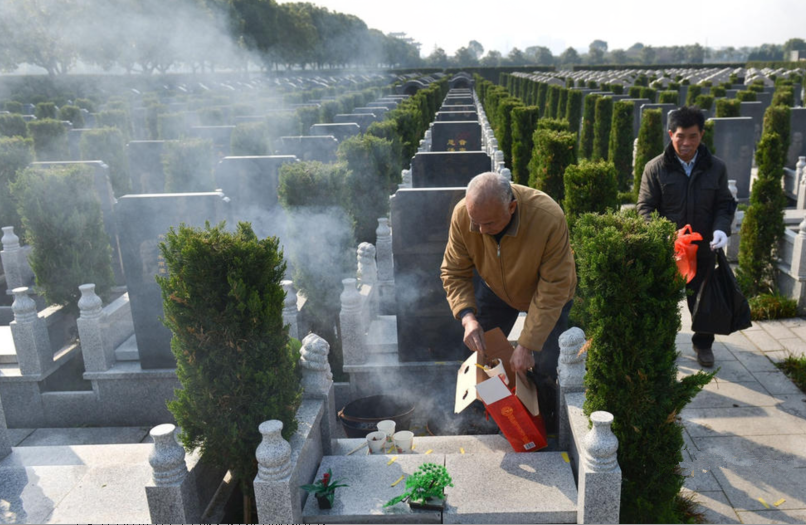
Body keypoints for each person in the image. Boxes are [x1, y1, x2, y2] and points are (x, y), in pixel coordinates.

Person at [441, 172, 576, 431]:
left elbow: (553, 287)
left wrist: (526, 345)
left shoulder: (547, 216)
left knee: (546, 363)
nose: (480, 231)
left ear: (511, 207)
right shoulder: (463, 214)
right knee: (477, 350)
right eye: (475, 223)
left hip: (544, 292)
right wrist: (468, 317)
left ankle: (545, 426)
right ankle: (482, 419)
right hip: (495, 290)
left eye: (489, 224)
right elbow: (453, 271)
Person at [637, 106, 737, 368]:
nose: (686, 143)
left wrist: (721, 229)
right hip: (668, 251)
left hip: (703, 249)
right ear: (671, 134)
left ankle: (703, 344)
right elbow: (644, 208)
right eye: (680, 136)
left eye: (692, 136)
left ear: (701, 135)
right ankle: (662, 346)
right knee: (663, 301)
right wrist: (663, 236)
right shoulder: (655, 168)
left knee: (704, 300)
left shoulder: (716, 168)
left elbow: (724, 204)